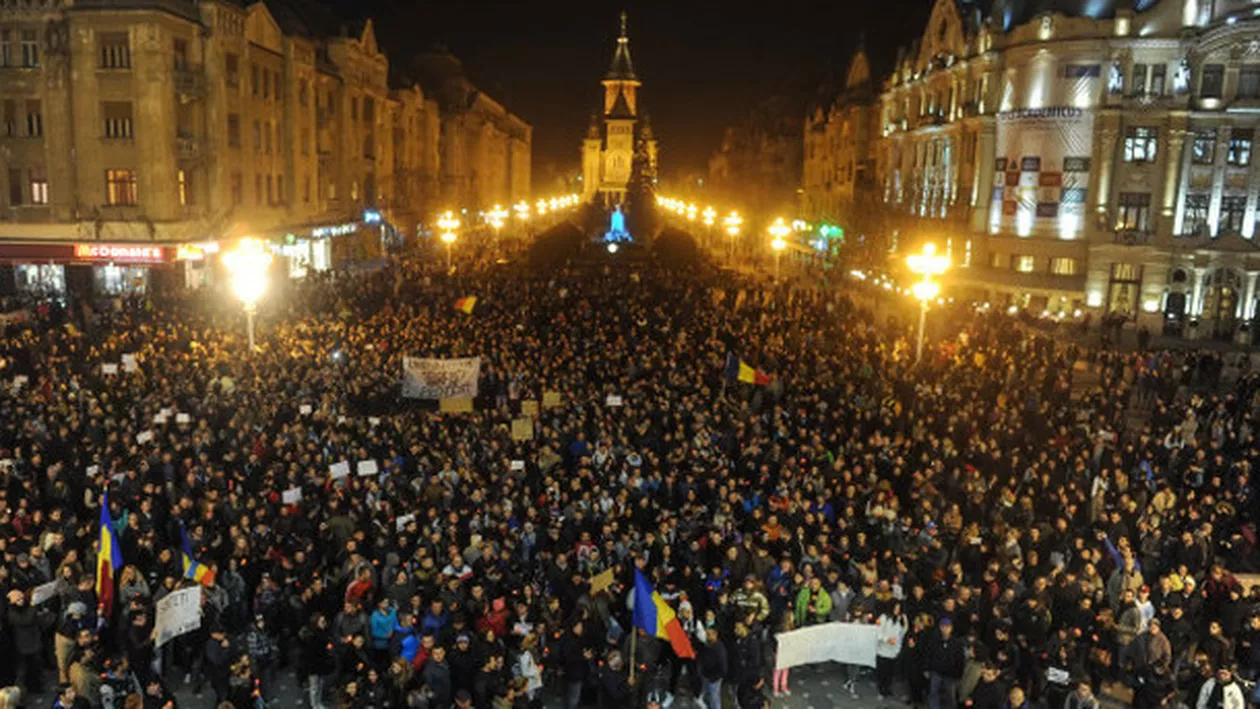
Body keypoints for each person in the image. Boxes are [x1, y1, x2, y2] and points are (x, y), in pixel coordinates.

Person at [928, 617, 965, 709]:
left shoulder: (957, 643)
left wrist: (958, 674)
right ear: (940, 627)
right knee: (933, 692)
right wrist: (928, 668)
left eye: (947, 627)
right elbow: (929, 654)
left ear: (951, 628)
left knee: (950, 696)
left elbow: (960, 659)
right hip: (936, 671)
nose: (945, 629)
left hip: (950, 674)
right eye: (943, 626)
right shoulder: (934, 640)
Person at [876, 602, 908, 699]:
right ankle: (882, 690)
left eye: (899, 608)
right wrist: (887, 639)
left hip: (893, 651)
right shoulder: (884, 617)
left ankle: (888, 689)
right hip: (883, 650)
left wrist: (905, 621)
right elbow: (878, 633)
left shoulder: (900, 619)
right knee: (882, 672)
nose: (897, 610)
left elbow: (902, 633)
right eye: (895, 608)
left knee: (890, 672)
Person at [699, 627, 727, 709]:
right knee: (709, 696)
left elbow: (723, 668)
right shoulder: (708, 644)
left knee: (714, 699)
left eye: (709, 634)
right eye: (706, 634)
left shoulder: (719, 649)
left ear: (715, 634)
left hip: (713, 679)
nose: (707, 636)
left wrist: (713, 678)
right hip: (707, 676)